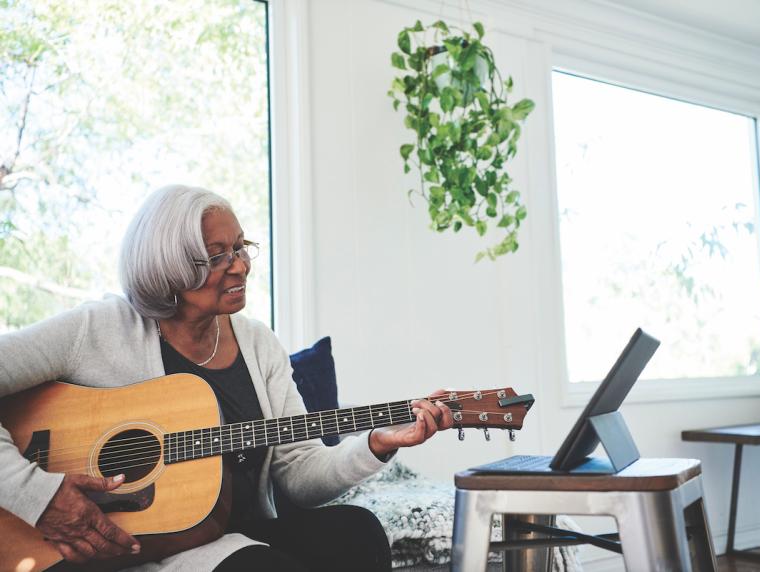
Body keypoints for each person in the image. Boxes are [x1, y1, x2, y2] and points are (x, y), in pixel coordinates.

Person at [0, 185, 454, 571]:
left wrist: (377, 442)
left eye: (240, 247)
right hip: (125, 549)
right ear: (167, 267)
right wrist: (38, 495)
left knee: (356, 532)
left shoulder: (258, 343)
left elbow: (298, 474)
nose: (240, 266)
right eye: (217, 256)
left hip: (226, 535)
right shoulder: (95, 329)